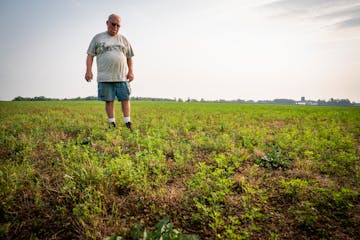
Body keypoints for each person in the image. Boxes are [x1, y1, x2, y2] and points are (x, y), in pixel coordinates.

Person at [85, 14, 134, 131]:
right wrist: (88, 71)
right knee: (109, 100)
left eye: (118, 25)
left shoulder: (123, 39)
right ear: (107, 23)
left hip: (121, 76)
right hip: (105, 77)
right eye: (113, 24)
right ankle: (112, 124)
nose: (115, 27)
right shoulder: (97, 38)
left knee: (125, 99)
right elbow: (90, 55)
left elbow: (129, 57)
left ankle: (128, 123)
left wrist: (131, 71)